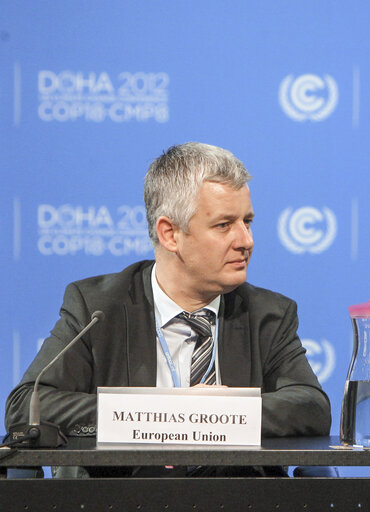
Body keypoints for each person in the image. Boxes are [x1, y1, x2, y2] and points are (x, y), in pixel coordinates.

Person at [5, 143, 331, 464]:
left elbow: (311, 408)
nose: (246, 240)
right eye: (224, 225)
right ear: (170, 234)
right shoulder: (97, 308)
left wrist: (223, 413)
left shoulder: (267, 314)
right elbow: (28, 405)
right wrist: (169, 411)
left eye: (247, 221)